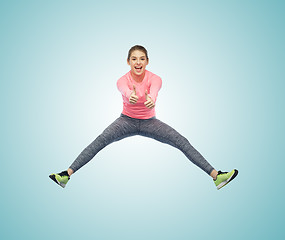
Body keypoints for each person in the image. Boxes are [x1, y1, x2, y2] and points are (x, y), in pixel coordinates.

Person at [49, 45, 238, 190]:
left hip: (150, 123)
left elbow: (154, 91)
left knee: (181, 141)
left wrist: (151, 98)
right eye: (134, 59)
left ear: (147, 61)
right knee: (100, 141)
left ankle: (216, 176)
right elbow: (124, 89)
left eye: (141, 59)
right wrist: (128, 95)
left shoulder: (155, 78)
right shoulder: (122, 80)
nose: (138, 62)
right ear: (128, 61)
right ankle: (66, 174)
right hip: (126, 121)